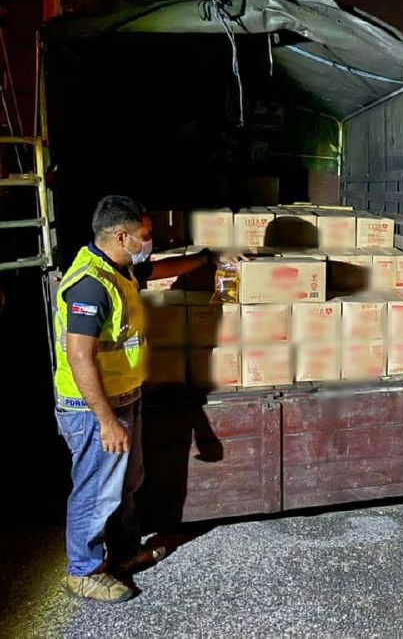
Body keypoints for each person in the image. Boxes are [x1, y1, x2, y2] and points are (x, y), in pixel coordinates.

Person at [54, 195, 236, 602]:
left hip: (125, 396)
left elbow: (155, 269)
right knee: (96, 489)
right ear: (121, 236)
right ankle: (83, 571)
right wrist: (105, 420)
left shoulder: (118, 268)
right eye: (146, 236)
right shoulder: (91, 285)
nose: (150, 241)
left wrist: (205, 258)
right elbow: (79, 355)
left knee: (127, 482)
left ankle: (125, 552)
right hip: (93, 407)